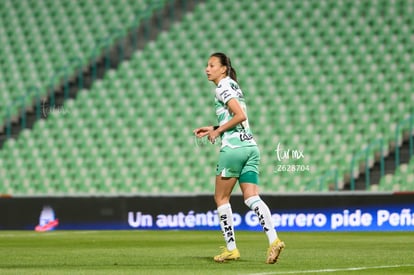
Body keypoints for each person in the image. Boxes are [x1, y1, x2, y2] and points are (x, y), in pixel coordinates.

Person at [193, 52, 285, 264]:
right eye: (207, 65)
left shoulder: (222, 87)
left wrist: (218, 132)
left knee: (221, 199)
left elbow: (240, 116)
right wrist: (213, 128)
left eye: (212, 65)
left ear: (223, 68)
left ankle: (231, 249)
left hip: (233, 149)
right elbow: (236, 117)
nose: (207, 69)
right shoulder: (233, 85)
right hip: (250, 147)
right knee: (252, 197)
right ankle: (274, 240)